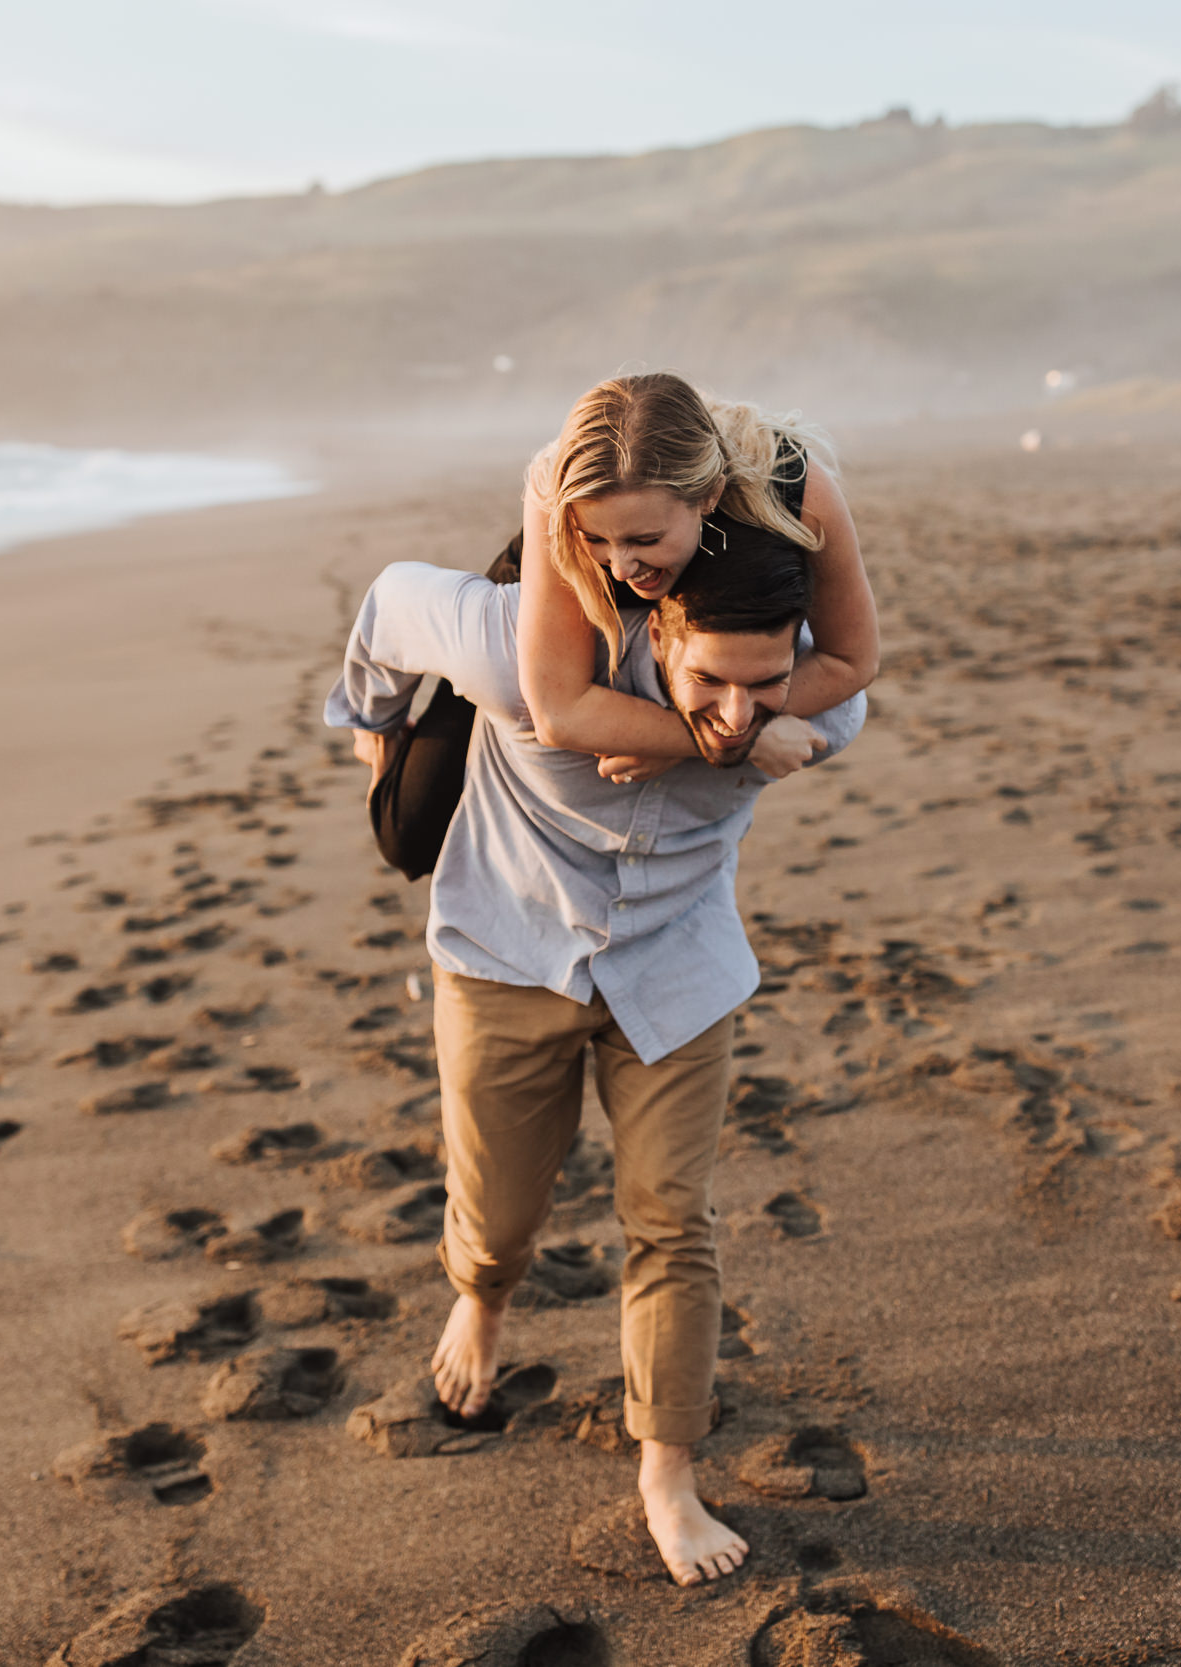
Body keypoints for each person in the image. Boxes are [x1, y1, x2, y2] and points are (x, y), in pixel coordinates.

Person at [323, 520, 864, 1585]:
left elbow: (826, 702)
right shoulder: (519, 649)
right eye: (711, 678)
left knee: (673, 1215)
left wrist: (740, 728)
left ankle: (667, 1470)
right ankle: (479, 1297)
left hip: (677, 969)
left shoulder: (820, 701)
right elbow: (388, 600)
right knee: (501, 1209)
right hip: (505, 951)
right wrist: (376, 730)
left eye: (768, 684)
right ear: (654, 624)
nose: (739, 709)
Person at [358, 371, 877, 877]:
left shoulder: (794, 487)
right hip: (552, 607)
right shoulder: (553, 487)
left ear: (709, 497)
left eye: (646, 539)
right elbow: (558, 711)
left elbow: (853, 659)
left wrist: (712, 733)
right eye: (597, 540)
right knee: (408, 838)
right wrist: (716, 740)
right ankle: (382, 743)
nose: (622, 567)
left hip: (696, 628)